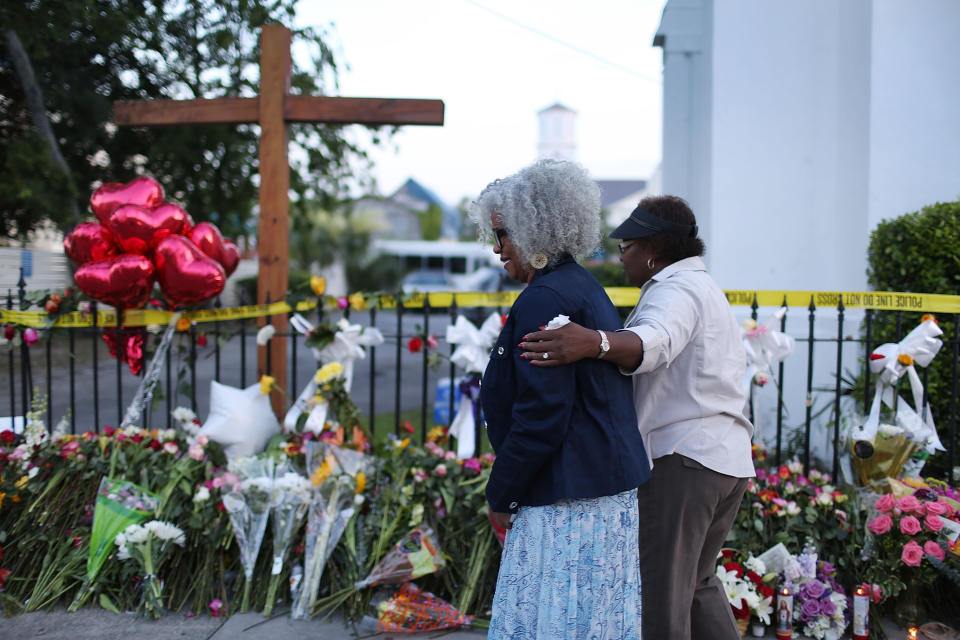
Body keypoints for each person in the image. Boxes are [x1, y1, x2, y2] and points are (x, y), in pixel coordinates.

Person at [519, 195, 755, 640]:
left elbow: (657, 339)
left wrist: (594, 343)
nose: (621, 255)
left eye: (626, 245)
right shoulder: (703, 286)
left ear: (651, 249)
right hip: (725, 461)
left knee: (660, 597)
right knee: (699, 586)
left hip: (684, 462)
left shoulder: (675, 290)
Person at [471, 159, 651, 639]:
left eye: (503, 235)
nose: (497, 249)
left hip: (568, 503)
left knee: (558, 622)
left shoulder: (544, 299)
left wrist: (500, 493)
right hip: (599, 494)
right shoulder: (579, 286)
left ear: (534, 229)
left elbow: (542, 416)